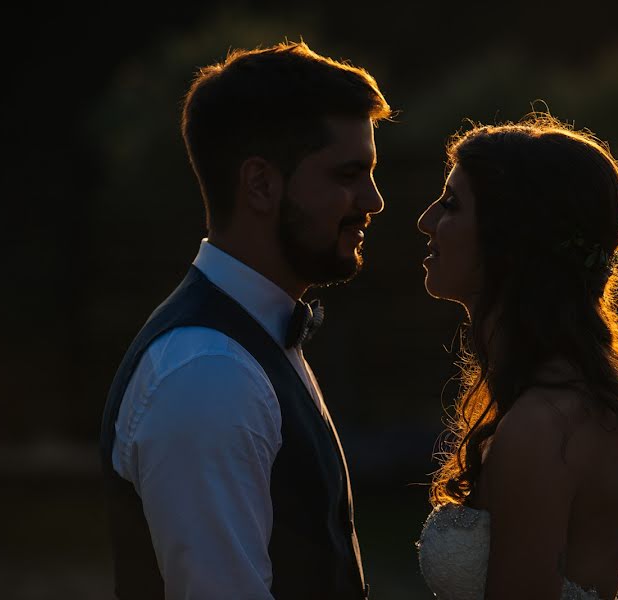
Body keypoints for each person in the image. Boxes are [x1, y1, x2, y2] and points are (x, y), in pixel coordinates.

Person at [98, 41, 390, 599]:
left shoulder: (250, 338)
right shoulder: (207, 372)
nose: (373, 200)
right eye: (348, 174)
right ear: (260, 184)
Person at [415, 116, 618, 600]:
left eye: (452, 204)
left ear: (510, 239)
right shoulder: (554, 403)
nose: (426, 221)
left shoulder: (544, 427)